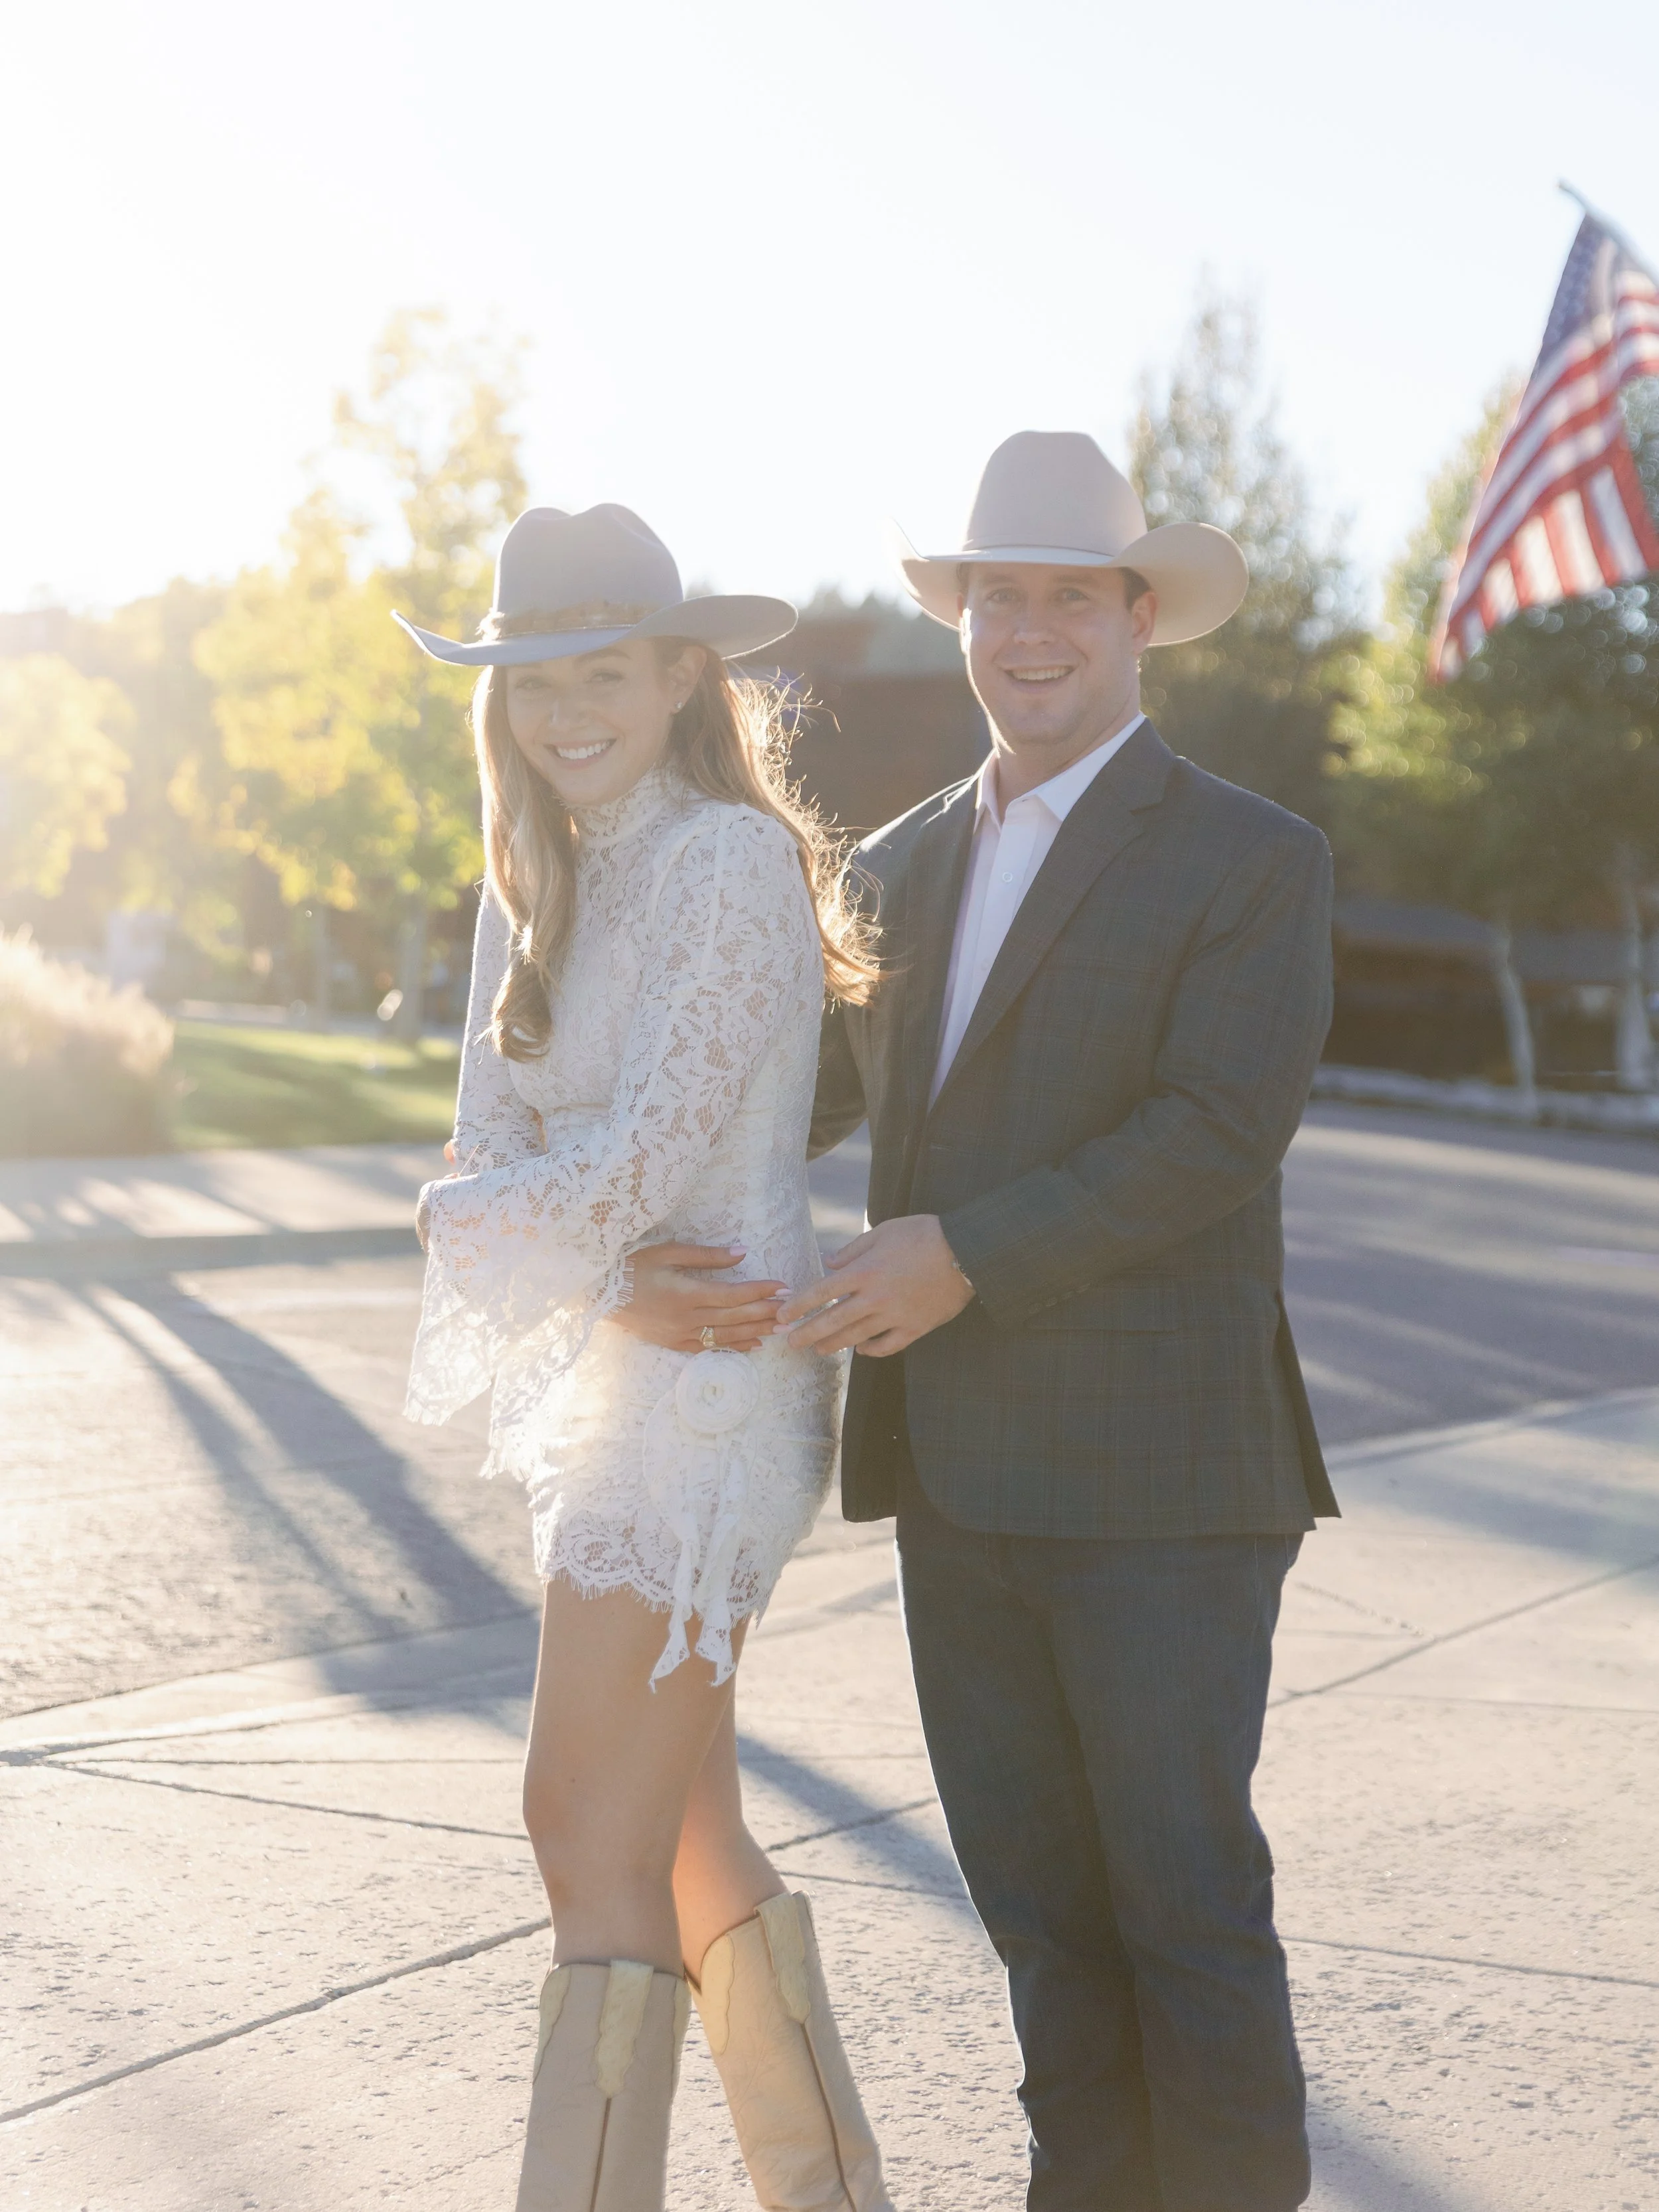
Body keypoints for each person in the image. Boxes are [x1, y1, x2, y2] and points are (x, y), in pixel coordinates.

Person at [621, 432, 1338, 2210]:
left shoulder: (1249, 857)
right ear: (957, 617)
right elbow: (789, 1099)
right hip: (954, 1474)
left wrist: (964, 1254)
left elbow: (1210, 1132)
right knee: (1037, 1921)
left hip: (1167, 1480)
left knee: (1180, 1912)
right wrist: (630, 1214)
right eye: (993, 593)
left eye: (1066, 595)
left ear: (1134, 615)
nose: (1028, 629)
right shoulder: (895, 860)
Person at [398, 502, 895, 2212]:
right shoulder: (524, 887)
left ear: (683, 678)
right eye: (531, 678)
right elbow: (475, 1172)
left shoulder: (730, 867)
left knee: (581, 1832)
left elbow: (617, 1166)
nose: (563, 708)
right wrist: (553, 1261)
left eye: (600, 670)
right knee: (680, 1834)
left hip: (718, 1394)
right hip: (622, 1370)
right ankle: (831, 2195)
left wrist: (493, 1227)